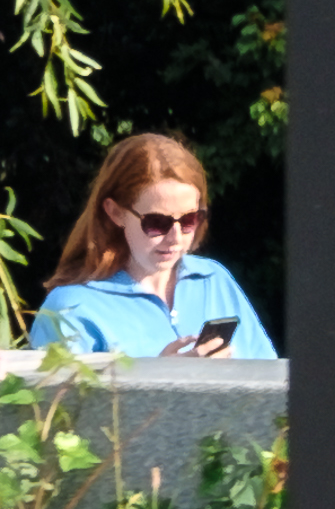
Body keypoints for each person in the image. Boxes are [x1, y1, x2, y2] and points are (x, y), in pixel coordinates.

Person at [22, 130, 278, 362]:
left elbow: (274, 390)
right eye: (157, 222)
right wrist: (157, 380)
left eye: (190, 220)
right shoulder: (70, 308)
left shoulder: (213, 280)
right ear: (115, 213)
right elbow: (57, 411)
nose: (176, 236)